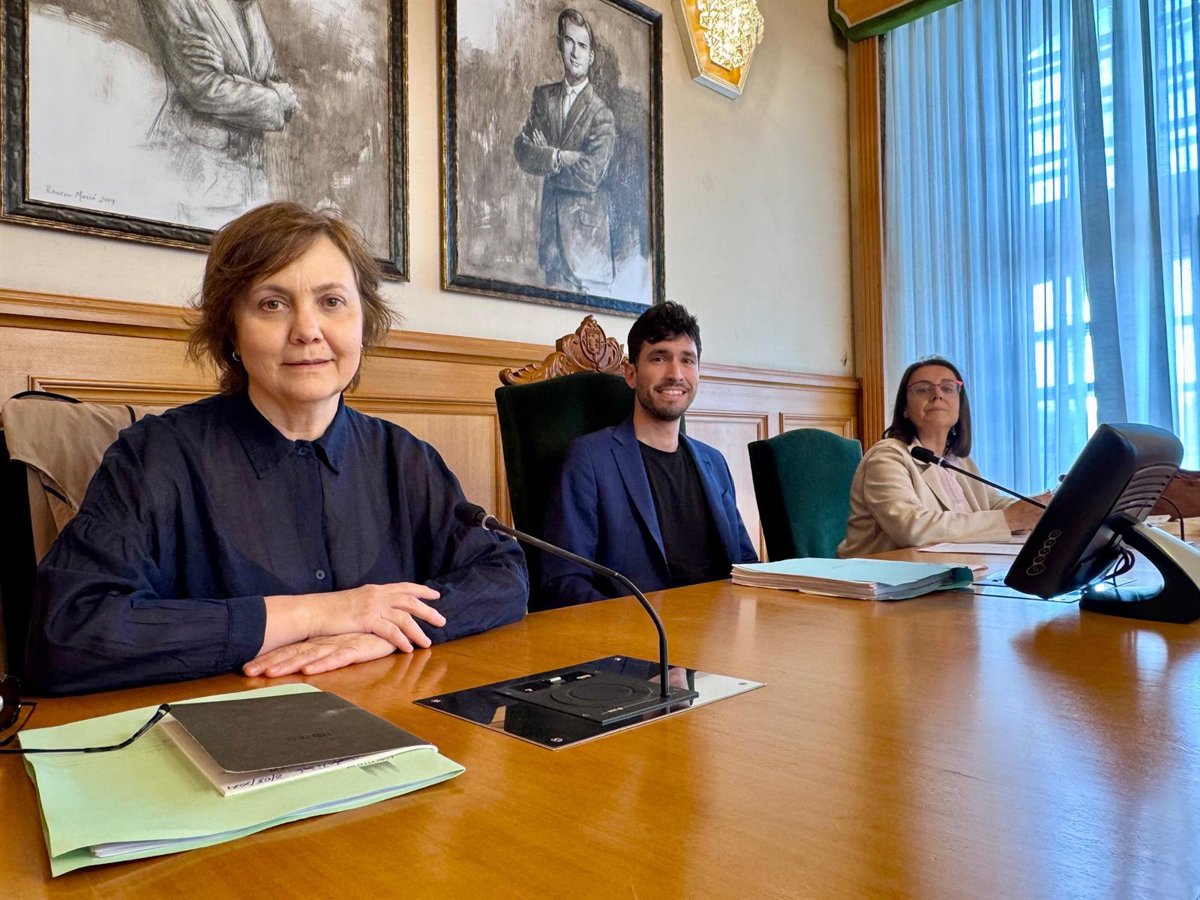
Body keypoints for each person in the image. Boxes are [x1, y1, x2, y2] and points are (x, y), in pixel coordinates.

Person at [26, 202, 527, 694]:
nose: (307, 331)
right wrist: (321, 613)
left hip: (397, 720)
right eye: (272, 304)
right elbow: (68, 633)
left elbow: (503, 574)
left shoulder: (405, 457)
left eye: (332, 302)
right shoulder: (155, 457)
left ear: (363, 323)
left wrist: (384, 629)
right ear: (231, 330)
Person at [541, 302, 758, 607]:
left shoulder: (715, 462)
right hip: (639, 633)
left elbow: (747, 568)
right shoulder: (589, 460)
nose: (676, 374)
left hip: (720, 628)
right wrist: (633, 627)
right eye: (659, 358)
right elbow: (563, 582)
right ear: (631, 374)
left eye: (687, 360)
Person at [837, 356, 1049, 557]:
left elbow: (993, 504)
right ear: (905, 409)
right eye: (923, 389)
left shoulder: (959, 461)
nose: (937, 394)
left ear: (959, 405)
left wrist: (1040, 508)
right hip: (881, 577)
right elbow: (912, 528)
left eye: (947, 388)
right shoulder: (886, 457)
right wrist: (1009, 520)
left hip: (946, 570)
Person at [138, 0, 301, 225]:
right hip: (197, 173)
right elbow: (203, 87)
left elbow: (270, 75)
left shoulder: (247, 4)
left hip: (253, 180)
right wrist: (274, 99)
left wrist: (236, 82)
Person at [513, 7, 615, 292]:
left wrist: (546, 156)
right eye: (569, 41)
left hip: (586, 249)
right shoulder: (543, 97)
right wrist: (561, 156)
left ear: (591, 55)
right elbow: (522, 150)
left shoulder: (602, 114)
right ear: (560, 45)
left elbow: (591, 174)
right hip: (550, 245)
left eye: (582, 45)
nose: (575, 52)